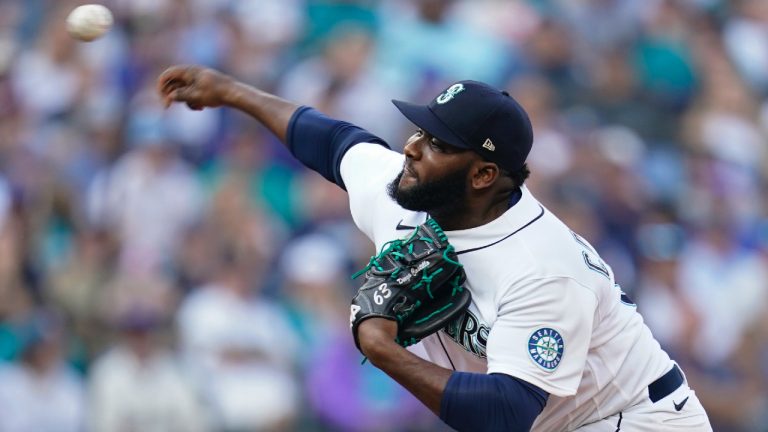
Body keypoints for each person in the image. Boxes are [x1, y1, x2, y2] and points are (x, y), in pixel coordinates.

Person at [157, 65, 713, 431]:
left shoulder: (543, 268)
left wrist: (382, 350)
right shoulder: (410, 191)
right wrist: (231, 92)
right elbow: (332, 142)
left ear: (483, 174)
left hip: (634, 418)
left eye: (437, 143)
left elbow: (503, 412)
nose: (412, 147)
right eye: (420, 130)